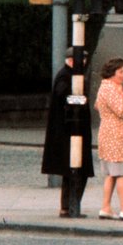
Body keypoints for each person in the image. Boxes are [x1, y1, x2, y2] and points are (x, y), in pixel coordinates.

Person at [41, 47, 94, 218]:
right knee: (75, 171)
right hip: (69, 133)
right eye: (82, 60)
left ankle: (69, 206)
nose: (84, 63)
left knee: (73, 172)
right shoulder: (65, 76)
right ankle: (70, 206)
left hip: (72, 132)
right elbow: (65, 95)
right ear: (71, 60)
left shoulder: (68, 75)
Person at [95, 57, 123, 221]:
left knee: (111, 174)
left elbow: (98, 105)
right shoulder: (110, 89)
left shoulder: (108, 87)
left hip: (111, 134)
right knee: (121, 173)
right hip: (116, 136)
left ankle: (106, 207)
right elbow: (121, 110)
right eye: (120, 72)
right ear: (112, 74)